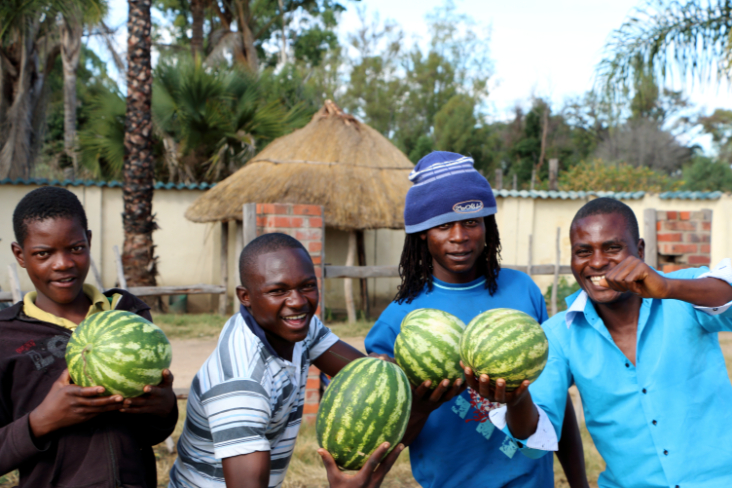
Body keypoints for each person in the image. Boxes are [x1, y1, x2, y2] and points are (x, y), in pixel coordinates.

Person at [466, 197, 732, 488]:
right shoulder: (558, 335)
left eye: (612, 248)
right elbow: (534, 441)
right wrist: (516, 401)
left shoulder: (683, 293)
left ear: (639, 250)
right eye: (583, 251)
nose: (596, 262)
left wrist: (667, 286)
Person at [365, 151, 588, 488]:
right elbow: (383, 441)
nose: (459, 236)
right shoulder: (399, 318)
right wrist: (422, 408)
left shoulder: (522, 290)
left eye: (471, 221)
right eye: (443, 225)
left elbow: (554, 394)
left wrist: (579, 483)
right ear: (422, 232)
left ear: (487, 224)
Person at [169, 233, 404, 488]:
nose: (298, 302)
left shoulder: (298, 326)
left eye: (307, 286)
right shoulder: (242, 382)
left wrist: (388, 365)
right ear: (245, 296)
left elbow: (367, 376)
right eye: (278, 291)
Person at [0, 186, 178, 487]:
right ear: (20, 255)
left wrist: (163, 407)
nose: (63, 263)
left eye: (75, 248)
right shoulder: (6, 336)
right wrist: (42, 420)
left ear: (89, 241)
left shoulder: (127, 313)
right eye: (43, 254)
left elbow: (154, 432)